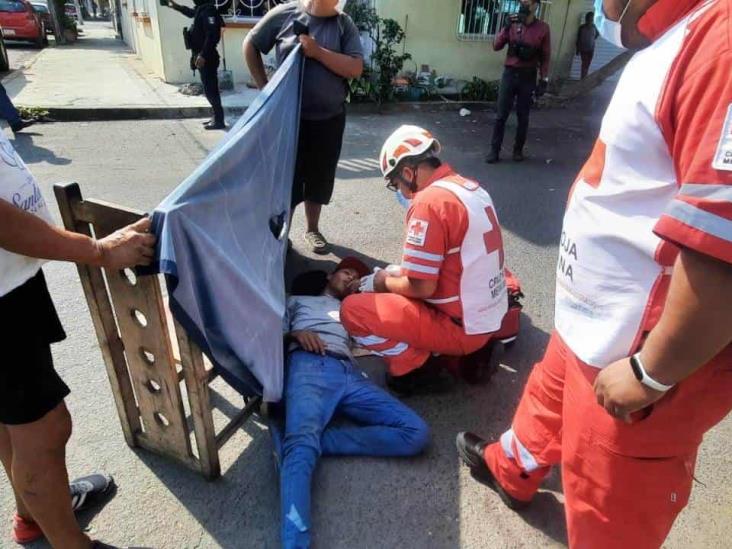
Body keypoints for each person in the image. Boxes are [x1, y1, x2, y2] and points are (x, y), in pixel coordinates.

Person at [456, 0, 732, 546]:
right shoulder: (675, 39)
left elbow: (723, 242)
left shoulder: (721, 38)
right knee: (545, 403)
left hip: (639, 357)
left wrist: (651, 373)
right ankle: (512, 469)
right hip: (595, 328)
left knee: (610, 510)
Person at [0, 132, 156, 548]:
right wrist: (99, 250)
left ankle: (35, 514)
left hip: (11, 284)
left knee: (13, 419)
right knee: (46, 427)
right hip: (1, 304)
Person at [340, 125, 520, 396]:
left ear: (408, 172)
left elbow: (422, 288)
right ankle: (463, 358)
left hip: (461, 327)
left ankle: (415, 369)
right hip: (486, 317)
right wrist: (392, 274)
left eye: (395, 183)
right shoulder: (471, 189)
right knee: (397, 275)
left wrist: (380, 282)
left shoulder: (428, 203)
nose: (399, 190)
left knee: (353, 309)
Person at [276, 257, 430, 549]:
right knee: (300, 451)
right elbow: (266, 334)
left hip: (349, 374)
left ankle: (312, 441)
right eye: (346, 272)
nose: (350, 278)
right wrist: (294, 334)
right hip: (310, 366)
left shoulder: (355, 310)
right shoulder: (297, 300)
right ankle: (295, 544)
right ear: (329, 275)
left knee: (416, 433)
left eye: (356, 278)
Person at [244, 0, 363, 254]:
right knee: (288, 179)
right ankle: (280, 233)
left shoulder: (343, 24)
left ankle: (312, 229)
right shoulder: (285, 14)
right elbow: (251, 45)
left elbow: (355, 67)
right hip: (289, 119)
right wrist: (265, 89)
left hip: (329, 120)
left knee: (319, 179)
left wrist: (318, 51)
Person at [486, 0, 551, 163]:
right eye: (521, 1)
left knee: (523, 116)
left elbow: (545, 56)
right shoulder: (513, 24)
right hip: (510, 74)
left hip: (528, 76)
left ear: (536, 5)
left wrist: (544, 79)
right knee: (501, 115)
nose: (523, 4)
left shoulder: (542, 28)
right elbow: (496, 46)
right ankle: (494, 151)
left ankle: (518, 150)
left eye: (527, 2)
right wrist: (506, 27)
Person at [165, 0, 226, 130]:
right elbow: (190, 12)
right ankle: (216, 117)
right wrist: (176, 6)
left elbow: (212, 35)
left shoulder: (209, 11)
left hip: (207, 57)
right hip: (201, 56)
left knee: (211, 90)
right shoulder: (202, 9)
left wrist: (203, 55)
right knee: (208, 89)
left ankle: (219, 120)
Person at [576, 12, 599, 79]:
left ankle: (584, 78)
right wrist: (577, 49)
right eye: (589, 19)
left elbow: (597, 35)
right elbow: (578, 38)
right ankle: (583, 79)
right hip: (583, 49)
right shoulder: (582, 27)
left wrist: (592, 40)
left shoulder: (594, 27)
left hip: (591, 49)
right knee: (584, 64)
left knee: (587, 64)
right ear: (586, 19)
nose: (590, 21)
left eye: (591, 20)